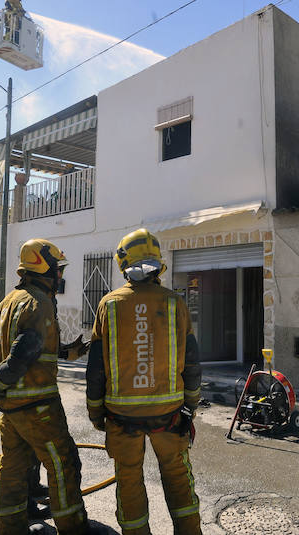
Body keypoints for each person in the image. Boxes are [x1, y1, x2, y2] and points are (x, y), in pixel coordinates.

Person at [86, 228, 202, 535]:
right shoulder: (175, 303)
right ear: (157, 264)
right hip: (170, 417)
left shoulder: (109, 305)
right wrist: (190, 407)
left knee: (129, 482)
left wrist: (96, 414)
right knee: (178, 478)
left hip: (121, 419)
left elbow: (95, 369)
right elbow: (192, 363)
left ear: (123, 263)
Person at [0, 239, 89, 535]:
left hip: (11, 410)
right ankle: (72, 527)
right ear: (43, 267)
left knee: (13, 466)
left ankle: (9, 527)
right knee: (63, 464)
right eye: (57, 269)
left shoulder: (9, 301)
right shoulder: (39, 303)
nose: (60, 275)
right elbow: (23, 354)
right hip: (38, 408)